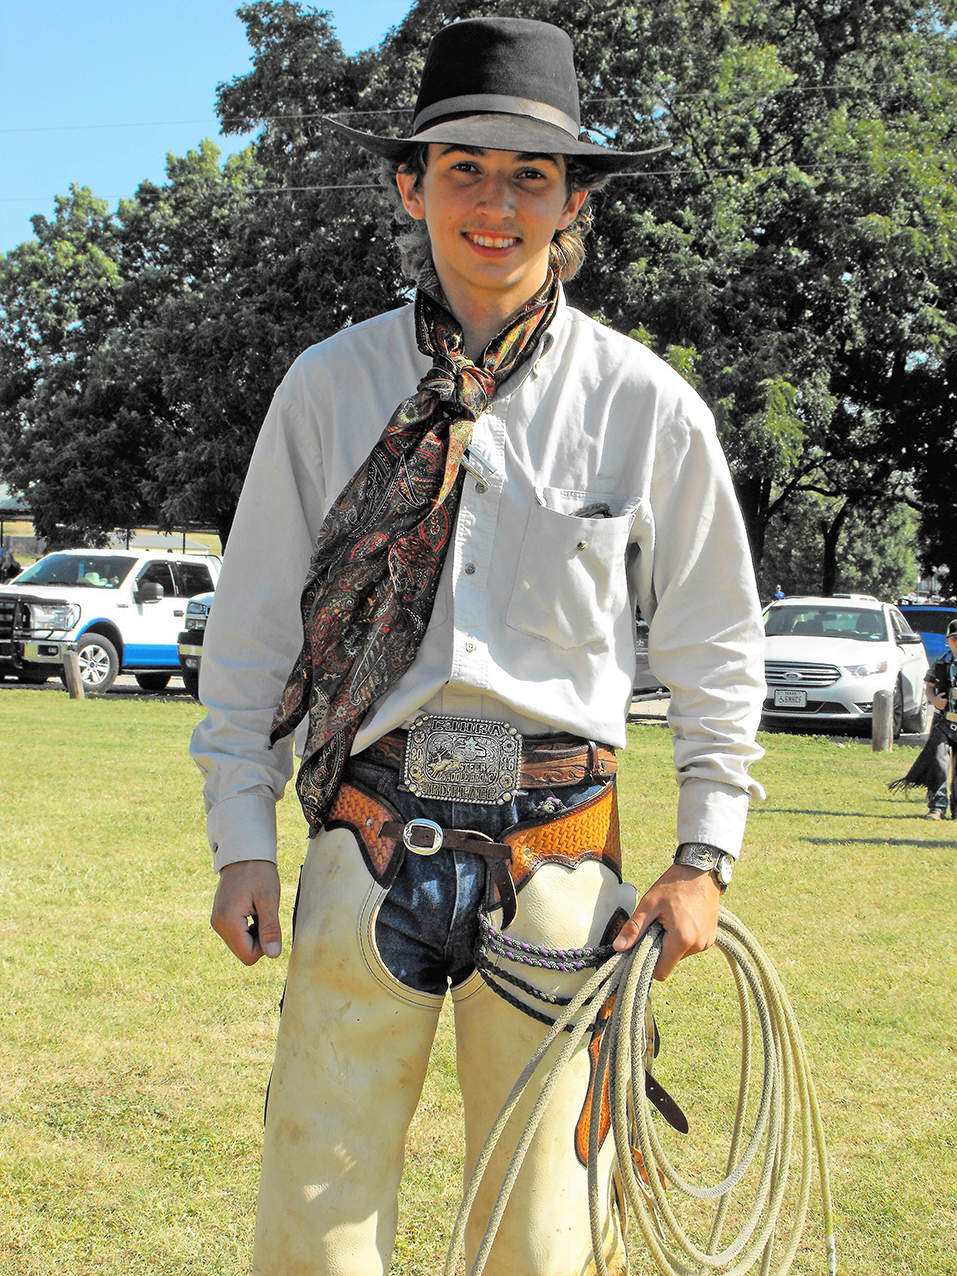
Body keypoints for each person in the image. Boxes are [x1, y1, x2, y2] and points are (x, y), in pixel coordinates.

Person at [191, 17, 765, 1276]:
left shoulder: (644, 404)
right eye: (465, 168)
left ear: (575, 205)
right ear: (411, 184)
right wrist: (244, 839)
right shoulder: (327, 388)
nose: (496, 204)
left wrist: (704, 853)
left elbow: (719, 641)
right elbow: (251, 630)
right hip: (367, 841)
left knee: (543, 1234)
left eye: (530, 175)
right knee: (314, 1215)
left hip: (561, 863)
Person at [890, 618, 957, 819]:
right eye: (954, 639)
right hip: (943, 723)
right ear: (948, 641)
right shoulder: (942, 663)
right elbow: (928, 688)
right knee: (938, 763)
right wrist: (935, 699)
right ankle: (937, 807)